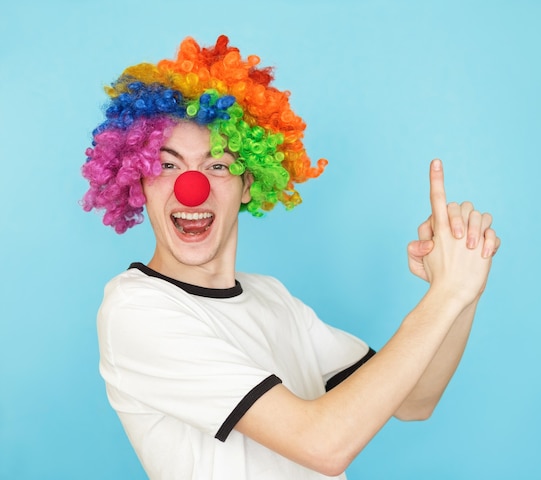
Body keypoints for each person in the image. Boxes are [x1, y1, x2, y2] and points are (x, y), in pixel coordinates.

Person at [82, 35, 501, 480]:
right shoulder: (138, 309)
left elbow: (416, 400)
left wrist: (460, 290)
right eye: (167, 165)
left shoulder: (271, 297)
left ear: (248, 184)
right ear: (138, 180)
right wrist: (446, 295)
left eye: (218, 165)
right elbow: (323, 444)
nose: (192, 186)